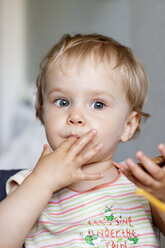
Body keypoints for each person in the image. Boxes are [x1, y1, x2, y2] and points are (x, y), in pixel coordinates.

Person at [0, 34, 165, 248]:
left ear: (128, 125)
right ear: (42, 113)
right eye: (63, 101)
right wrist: (43, 181)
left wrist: (161, 197)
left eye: (97, 104)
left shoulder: (139, 186)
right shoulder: (30, 184)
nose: (75, 116)